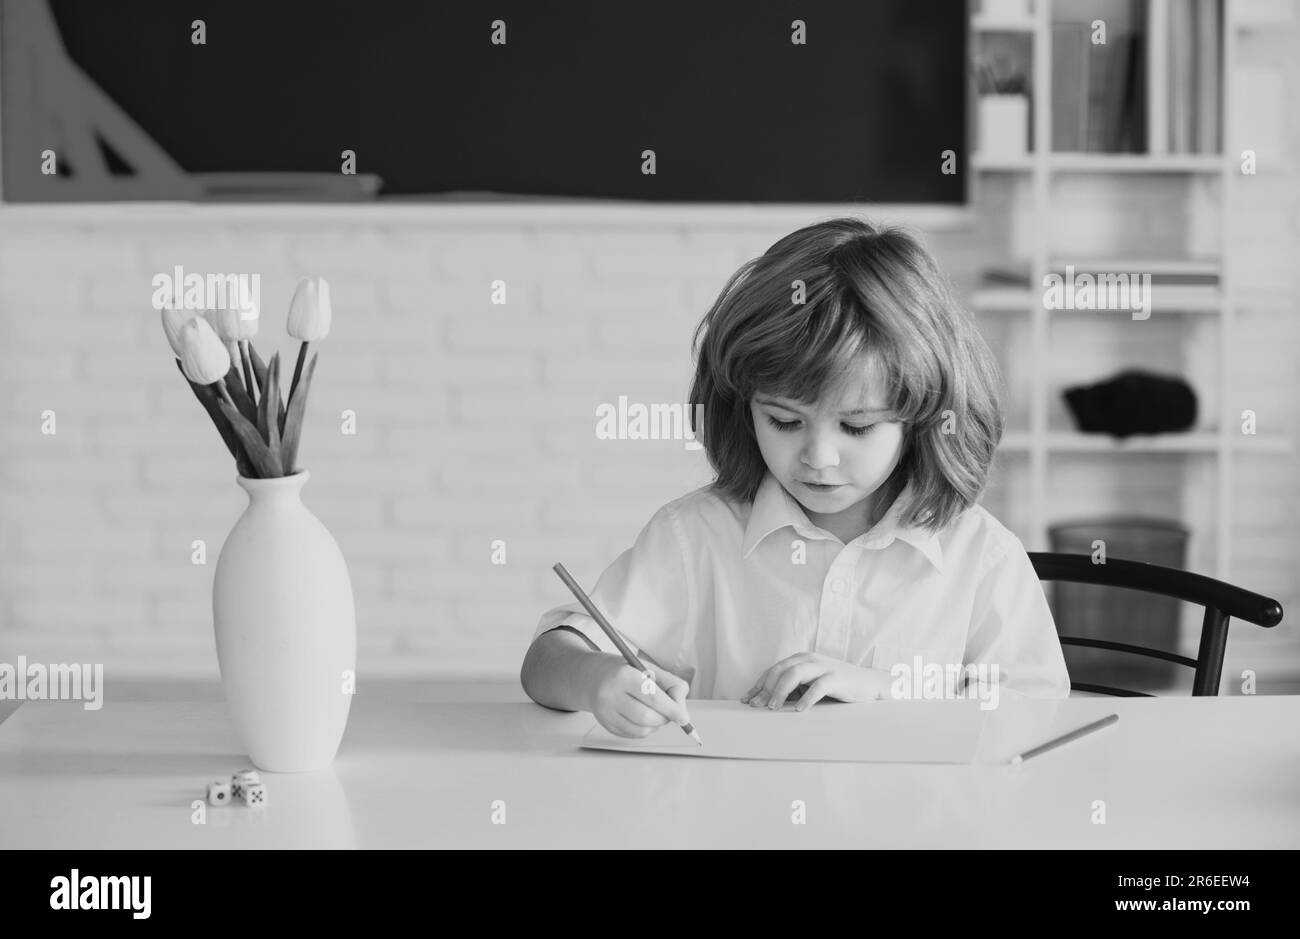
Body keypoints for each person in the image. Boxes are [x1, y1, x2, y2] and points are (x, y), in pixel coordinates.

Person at [520, 217, 1070, 738]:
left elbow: (1034, 715)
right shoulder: (697, 536)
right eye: (784, 421)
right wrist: (598, 681)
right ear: (743, 408)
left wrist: (889, 692)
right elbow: (548, 658)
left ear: (923, 416)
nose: (818, 457)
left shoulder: (980, 556)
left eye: (856, 427)